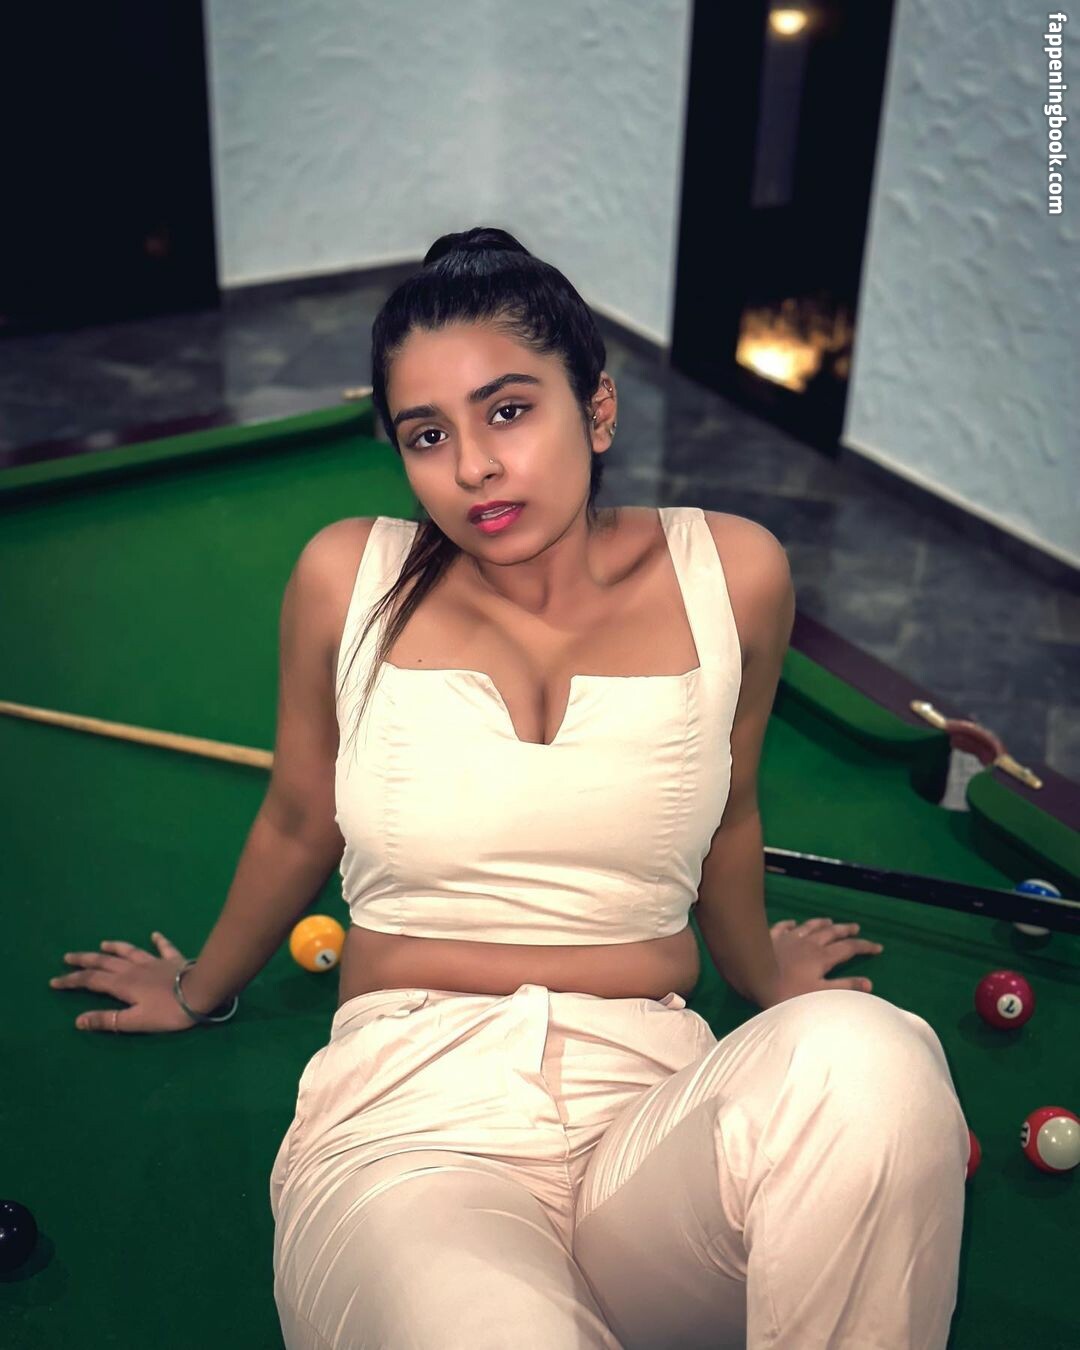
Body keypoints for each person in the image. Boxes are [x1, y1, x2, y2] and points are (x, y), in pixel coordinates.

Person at [51, 227, 969, 1349]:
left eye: (509, 410)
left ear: (598, 410)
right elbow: (297, 818)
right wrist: (198, 991)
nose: (473, 467)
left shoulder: (733, 573)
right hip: (409, 1131)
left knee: (874, 1057)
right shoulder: (348, 576)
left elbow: (730, 814)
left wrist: (770, 982)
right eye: (428, 434)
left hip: (651, 1119)